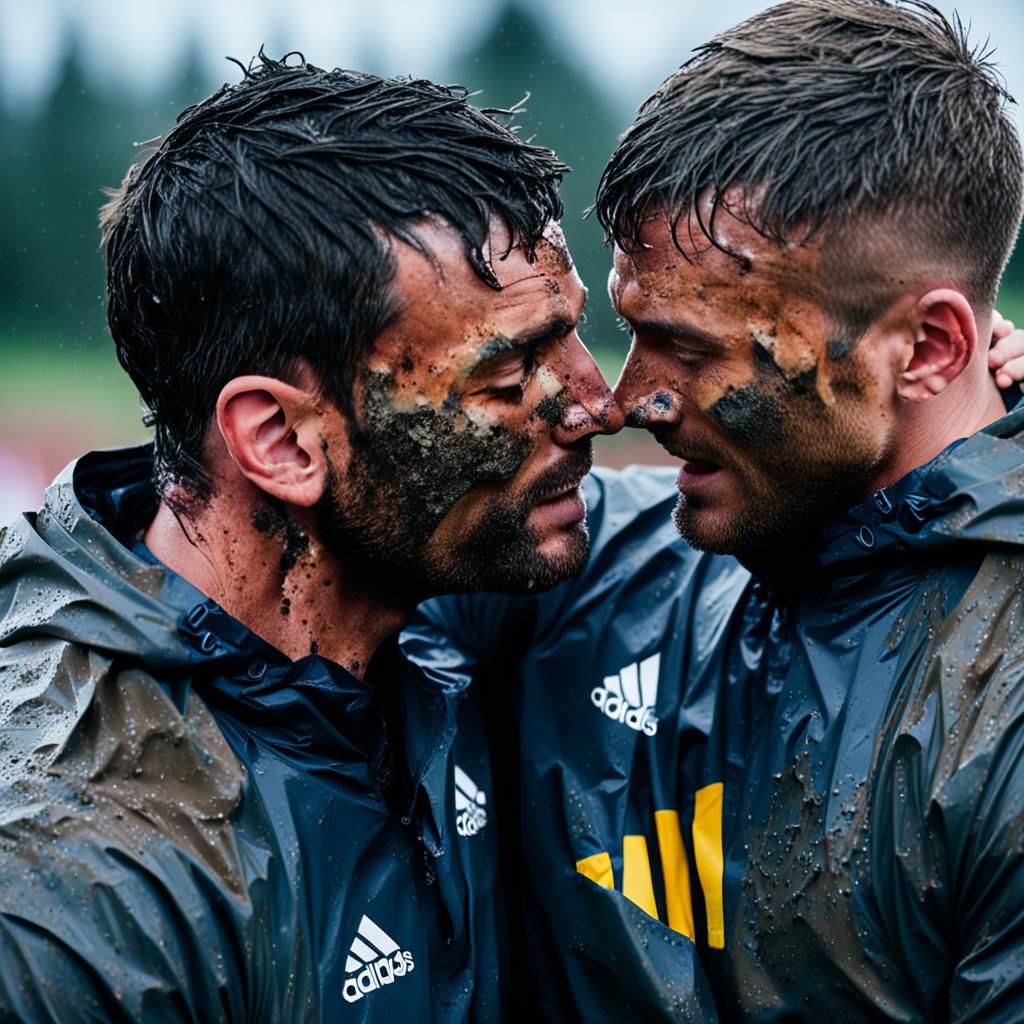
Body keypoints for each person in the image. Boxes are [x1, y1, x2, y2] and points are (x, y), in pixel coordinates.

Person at [406, 1, 1024, 1019]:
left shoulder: (997, 707)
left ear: (927, 348)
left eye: (691, 349)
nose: (624, 400)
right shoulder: (585, 565)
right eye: (632, 330)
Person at [0, 53, 628, 1022]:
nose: (598, 405)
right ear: (282, 440)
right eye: (510, 378)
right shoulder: (74, 890)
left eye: (574, 339)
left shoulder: (419, 592)